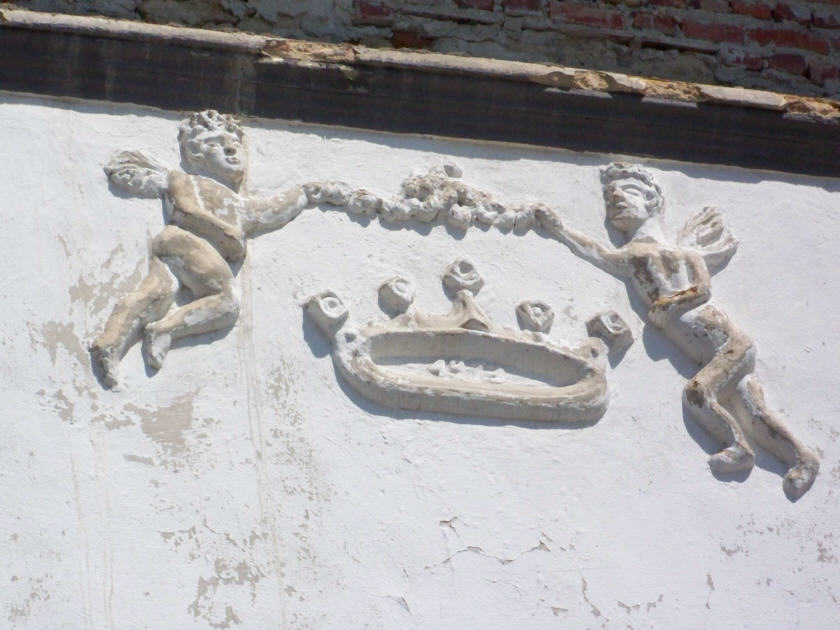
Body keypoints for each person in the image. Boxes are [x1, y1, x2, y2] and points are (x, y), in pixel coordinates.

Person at [536, 162, 818, 500]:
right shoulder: (630, 255)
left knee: (698, 393)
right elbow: (598, 253)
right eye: (610, 197)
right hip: (715, 352)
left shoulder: (684, 253)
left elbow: (703, 289)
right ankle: (802, 459)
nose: (616, 198)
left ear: (652, 200)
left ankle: (739, 448)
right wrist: (560, 229)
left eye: (628, 191)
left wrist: (670, 304)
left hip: (729, 343)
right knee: (754, 413)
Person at [91, 110, 346, 388]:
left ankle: (110, 344)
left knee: (157, 293)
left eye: (234, 144)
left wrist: (304, 194)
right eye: (216, 144)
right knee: (225, 300)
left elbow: (269, 212)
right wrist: (225, 232)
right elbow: (185, 208)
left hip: (176, 247)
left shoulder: (238, 203)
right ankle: (164, 329)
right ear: (195, 153)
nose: (231, 150)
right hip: (186, 241)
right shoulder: (186, 179)